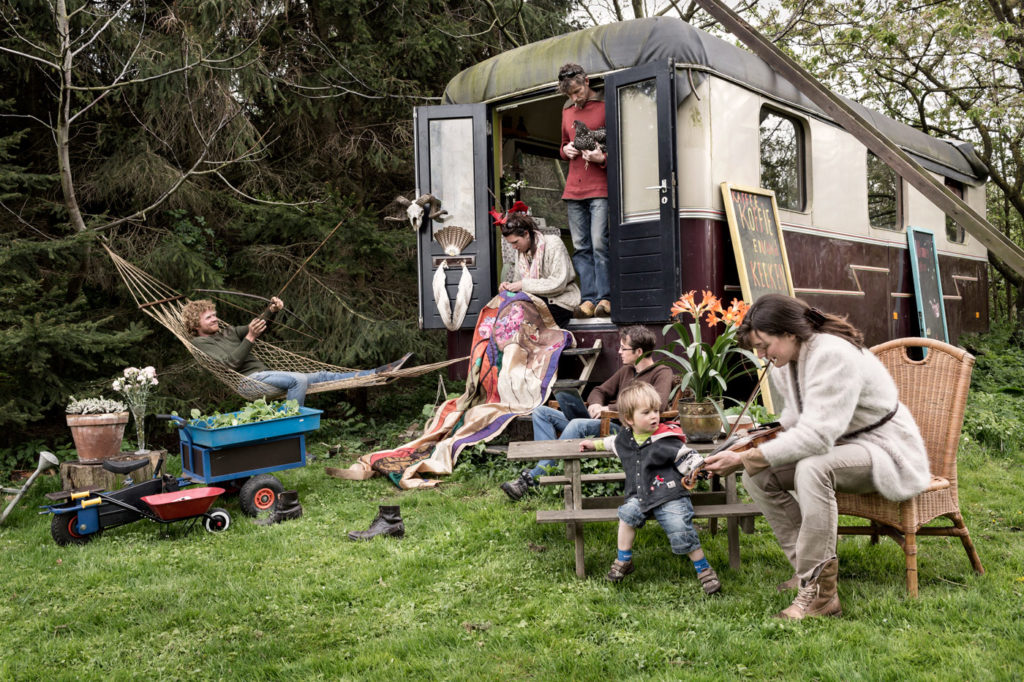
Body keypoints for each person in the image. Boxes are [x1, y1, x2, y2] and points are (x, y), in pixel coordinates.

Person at [702, 294, 931, 620]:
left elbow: (817, 436)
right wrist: (750, 444)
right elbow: (798, 421)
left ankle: (822, 597)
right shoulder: (787, 362)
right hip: (841, 445)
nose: (762, 355)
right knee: (759, 475)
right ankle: (807, 572)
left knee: (811, 468)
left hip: (886, 449)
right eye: (758, 348)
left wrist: (745, 457)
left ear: (789, 332)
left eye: (765, 345)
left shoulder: (832, 353)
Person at [578, 382, 722, 593]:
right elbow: (610, 442)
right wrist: (593, 444)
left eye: (656, 410)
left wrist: (700, 468)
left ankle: (704, 569)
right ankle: (624, 560)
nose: (654, 416)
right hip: (641, 496)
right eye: (646, 412)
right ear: (629, 419)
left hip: (669, 495)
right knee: (627, 514)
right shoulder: (624, 439)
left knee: (679, 525)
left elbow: (688, 456)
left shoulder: (666, 439)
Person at [500, 325, 673, 500]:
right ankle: (547, 469)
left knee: (577, 424)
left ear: (639, 351)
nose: (619, 352)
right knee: (541, 412)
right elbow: (598, 391)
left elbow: (659, 403)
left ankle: (531, 479)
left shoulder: (662, 372)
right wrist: (596, 405)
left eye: (623, 348)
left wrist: (609, 409)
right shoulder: (626, 371)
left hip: (624, 429)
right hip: (602, 420)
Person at [181, 297, 410, 406]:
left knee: (323, 375)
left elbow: (257, 324)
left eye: (214, 315)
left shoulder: (226, 332)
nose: (215, 319)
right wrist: (250, 337)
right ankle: (291, 431)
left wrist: (270, 310)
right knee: (298, 380)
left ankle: (376, 374)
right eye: (209, 317)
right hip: (248, 383)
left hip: (265, 377)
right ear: (195, 324)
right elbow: (230, 365)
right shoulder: (200, 345)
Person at [557, 63, 610, 319]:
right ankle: (588, 298)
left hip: (600, 186)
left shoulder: (605, 105)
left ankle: (605, 297)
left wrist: (603, 159)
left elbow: (622, 144)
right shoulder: (567, 111)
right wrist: (564, 151)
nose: (574, 99)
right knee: (581, 247)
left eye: (577, 92)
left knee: (600, 243)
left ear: (586, 82)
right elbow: (564, 144)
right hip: (573, 189)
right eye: (569, 95)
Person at [498, 212, 580, 328]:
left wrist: (522, 285)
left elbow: (558, 283)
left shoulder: (553, 243)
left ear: (526, 234)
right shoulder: (520, 253)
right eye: (510, 244)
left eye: (515, 242)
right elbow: (519, 284)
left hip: (560, 302)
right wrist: (509, 287)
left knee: (520, 318)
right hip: (536, 302)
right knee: (502, 312)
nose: (513, 247)